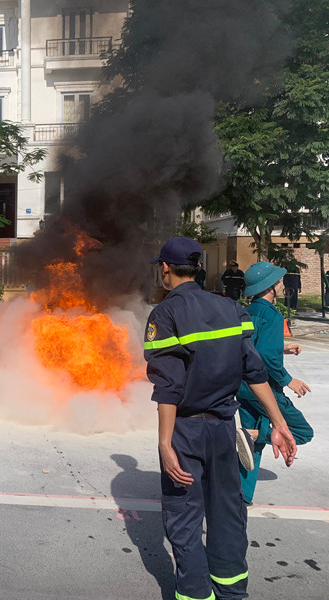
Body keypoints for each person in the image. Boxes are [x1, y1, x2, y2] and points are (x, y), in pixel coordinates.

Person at [144, 237, 297, 600]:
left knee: (183, 517)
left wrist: (165, 444)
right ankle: (232, 591)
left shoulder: (165, 314)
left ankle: (196, 593)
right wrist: (279, 422)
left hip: (186, 430)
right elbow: (255, 372)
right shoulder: (230, 307)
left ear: (165, 269)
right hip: (225, 429)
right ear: (198, 268)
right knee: (228, 512)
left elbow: (168, 386)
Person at [236, 261, 313, 505]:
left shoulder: (245, 312)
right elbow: (267, 357)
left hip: (243, 388)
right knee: (301, 432)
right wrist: (289, 380)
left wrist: (284, 348)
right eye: (278, 280)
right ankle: (250, 434)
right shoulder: (272, 314)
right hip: (265, 389)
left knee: (250, 451)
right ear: (271, 286)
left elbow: (253, 348)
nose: (281, 283)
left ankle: (242, 494)